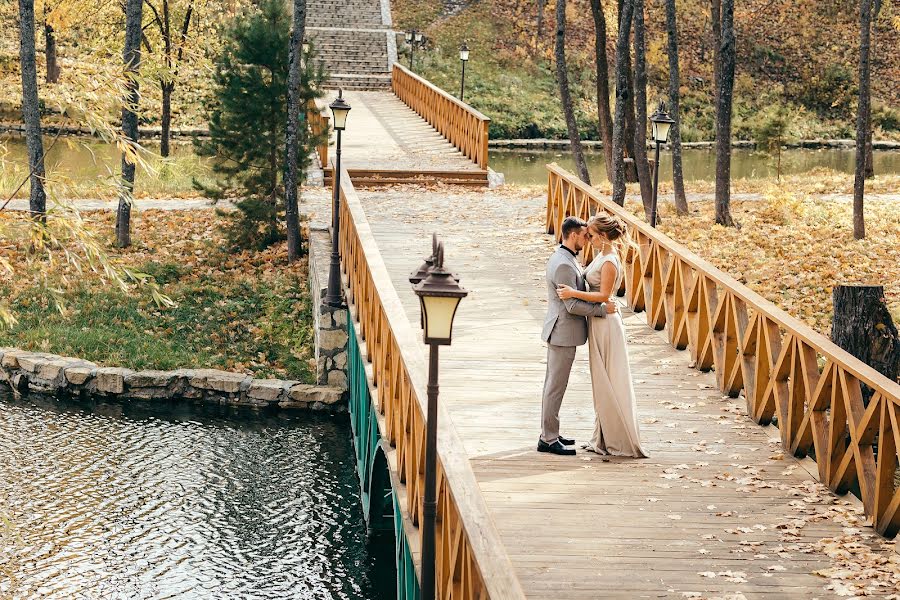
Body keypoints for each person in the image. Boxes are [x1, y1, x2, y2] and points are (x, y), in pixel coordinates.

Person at [557, 214, 648, 458]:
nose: (589, 239)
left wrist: (572, 293)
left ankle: (618, 438)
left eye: (592, 236)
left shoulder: (609, 261)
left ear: (604, 236)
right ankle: (603, 434)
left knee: (609, 378)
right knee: (601, 379)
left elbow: (604, 295)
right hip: (597, 322)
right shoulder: (601, 255)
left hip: (606, 323)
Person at [539, 216, 617, 456]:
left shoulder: (564, 257)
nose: (588, 239)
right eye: (585, 235)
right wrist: (602, 309)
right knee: (555, 386)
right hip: (562, 331)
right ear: (573, 235)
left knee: (553, 384)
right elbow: (571, 306)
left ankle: (550, 432)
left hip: (562, 330)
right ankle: (548, 439)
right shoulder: (563, 264)